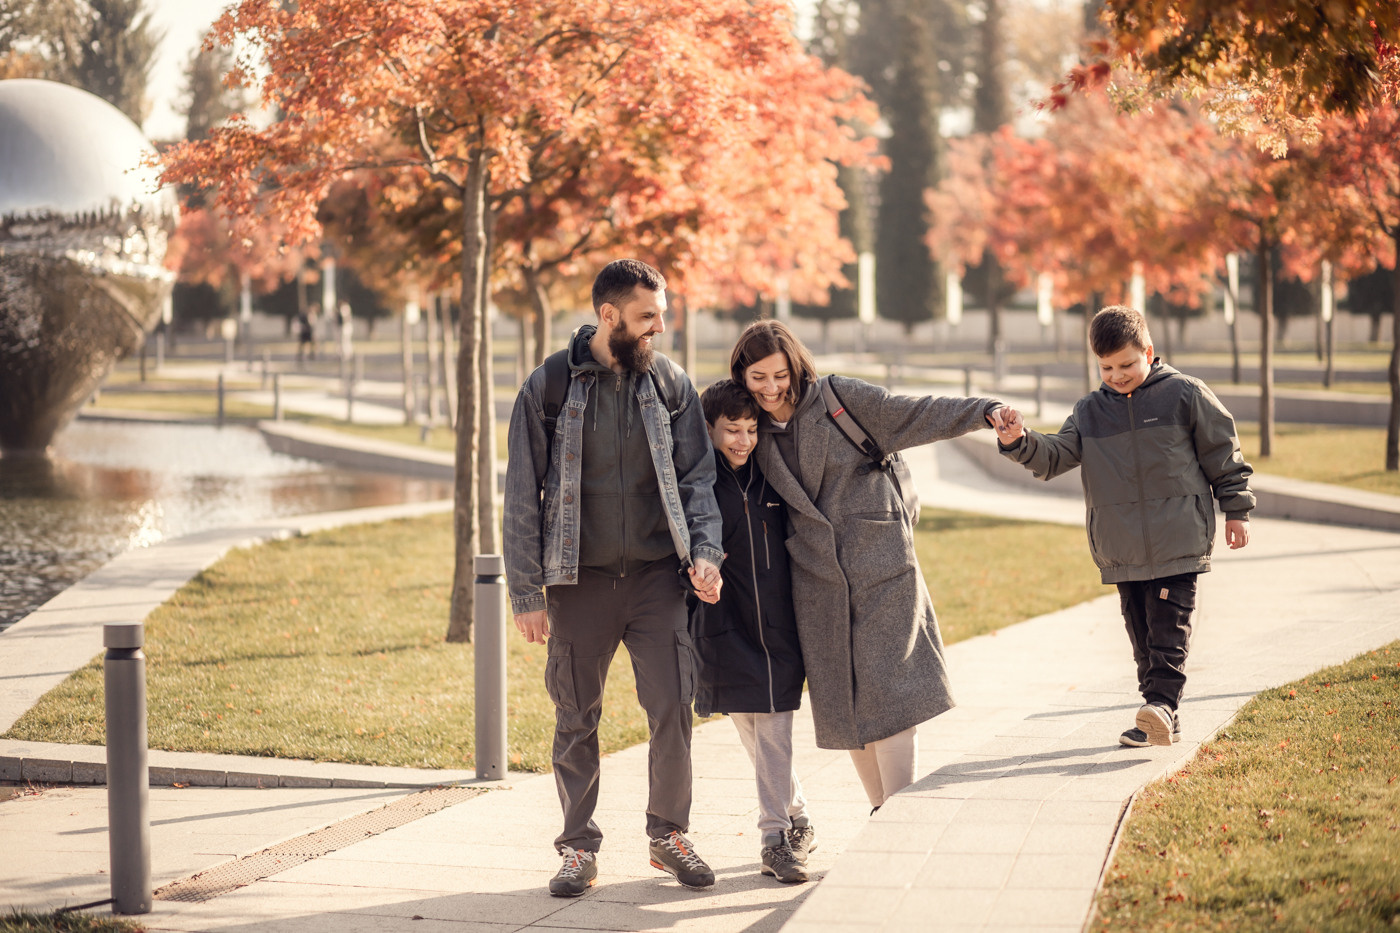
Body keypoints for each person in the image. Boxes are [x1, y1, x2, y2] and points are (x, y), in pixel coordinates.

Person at [729, 320, 1017, 812]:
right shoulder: (753, 430)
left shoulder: (840, 398)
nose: (771, 388)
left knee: (888, 695)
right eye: (758, 378)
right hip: (816, 583)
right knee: (846, 705)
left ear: (795, 366)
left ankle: (898, 815)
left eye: (779, 375)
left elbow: (914, 413)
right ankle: (883, 812)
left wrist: (984, 410)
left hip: (880, 565)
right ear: (742, 376)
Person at [503, 259, 725, 897]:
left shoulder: (670, 384)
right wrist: (527, 594)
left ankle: (669, 836)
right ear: (609, 316)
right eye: (648, 315)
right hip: (579, 583)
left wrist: (705, 552)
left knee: (672, 709)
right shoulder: (548, 386)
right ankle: (577, 848)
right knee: (577, 715)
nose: (661, 325)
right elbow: (522, 492)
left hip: (658, 578)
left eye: (661, 312)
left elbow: (697, 481)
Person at [996, 305, 1255, 747]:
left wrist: (1236, 510)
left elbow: (1222, 452)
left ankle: (1160, 704)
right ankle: (1161, 713)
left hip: (1178, 539)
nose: (1117, 375)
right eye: (1107, 367)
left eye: (1127, 364)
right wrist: (1017, 441)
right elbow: (1055, 454)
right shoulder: (1090, 412)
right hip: (1122, 547)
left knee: (1169, 628)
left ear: (1149, 352)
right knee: (1142, 636)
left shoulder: (1184, 394)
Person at [690, 379, 816, 884]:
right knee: (753, 729)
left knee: (775, 729)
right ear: (709, 430)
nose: (743, 440)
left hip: (780, 626)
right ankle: (799, 813)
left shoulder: (772, 477)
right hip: (725, 624)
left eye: (750, 430)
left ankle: (774, 838)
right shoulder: (699, 486)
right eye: (732, 431)